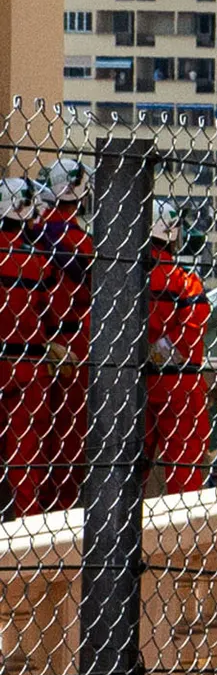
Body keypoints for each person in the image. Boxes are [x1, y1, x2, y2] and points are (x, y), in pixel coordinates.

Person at [0, 176, 93, 515]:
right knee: (29, 451)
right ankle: (32, 522)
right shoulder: (41, 258)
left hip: (11, 354)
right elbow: (56, 310)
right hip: (35, 360)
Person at [142, 202, 212, 498]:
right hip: (178, 382)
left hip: (131, 380)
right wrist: (157, 351)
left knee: (124, 470)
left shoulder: (122, 276)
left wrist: (141, 353)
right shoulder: (183, 281)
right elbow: (190, 337)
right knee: (185, 476)